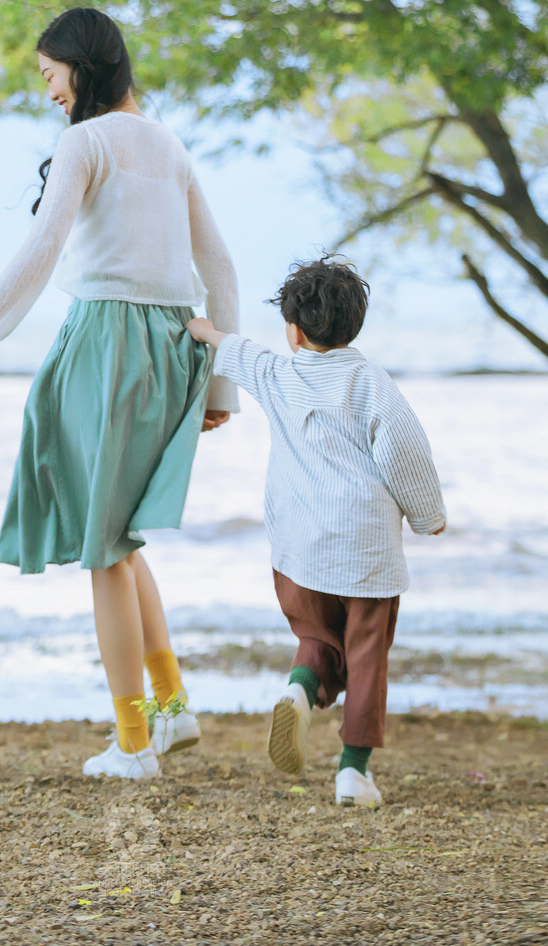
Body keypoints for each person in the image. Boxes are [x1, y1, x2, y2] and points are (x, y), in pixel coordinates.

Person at [0, 7, 239, 780]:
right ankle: (171, 707)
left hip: (107, 343)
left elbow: (42, 247)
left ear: (81, 63)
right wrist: (221, 385)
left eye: (50, 75)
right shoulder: (169, 144)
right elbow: (221, 270)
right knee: (120, 537)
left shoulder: (87, 141)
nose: (49, 92)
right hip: (174, 348)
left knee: (104, 550)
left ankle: (133, 743)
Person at [187, 255, 445, 807]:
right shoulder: (370, 381)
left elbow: (232, 347)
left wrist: (200, 328)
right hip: (366, 552)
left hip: (301, 551)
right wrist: (429, 517)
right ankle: (353, 773)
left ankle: (300, 691)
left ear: (294, 331)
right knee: (366, 654)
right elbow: (404, 450)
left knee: (317, 639)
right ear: (355, 325)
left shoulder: (277, 373)